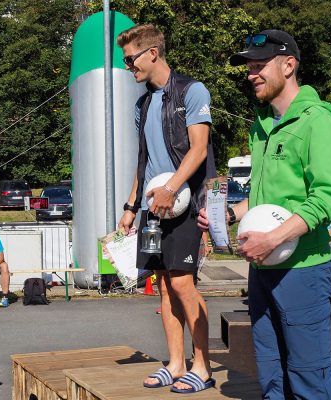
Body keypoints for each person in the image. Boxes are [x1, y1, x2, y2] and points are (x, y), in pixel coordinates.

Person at [199, 29, 331, 399]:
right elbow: (263, 198)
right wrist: (227, 215)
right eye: (249, 67)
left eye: (260, 65)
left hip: (303, 271)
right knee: (272, 375)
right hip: (263, 271)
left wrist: (273, 238)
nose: (251, 74)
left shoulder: (317, 120)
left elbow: (328, 200)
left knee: (310, 379)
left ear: (289, 65)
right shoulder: (261, 125)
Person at [116, 24, 217, 393]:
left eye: (131, 59)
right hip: (153, 207)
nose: (129, 67)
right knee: (162, 285)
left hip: (185, 204)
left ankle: (202, 367)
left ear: (152, 54)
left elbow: (199, 150)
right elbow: (143, 162)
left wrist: (172, 188)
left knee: (182, 282)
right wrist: (130, 206)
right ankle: (175, 363)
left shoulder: (192, 91)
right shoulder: (142, 103)